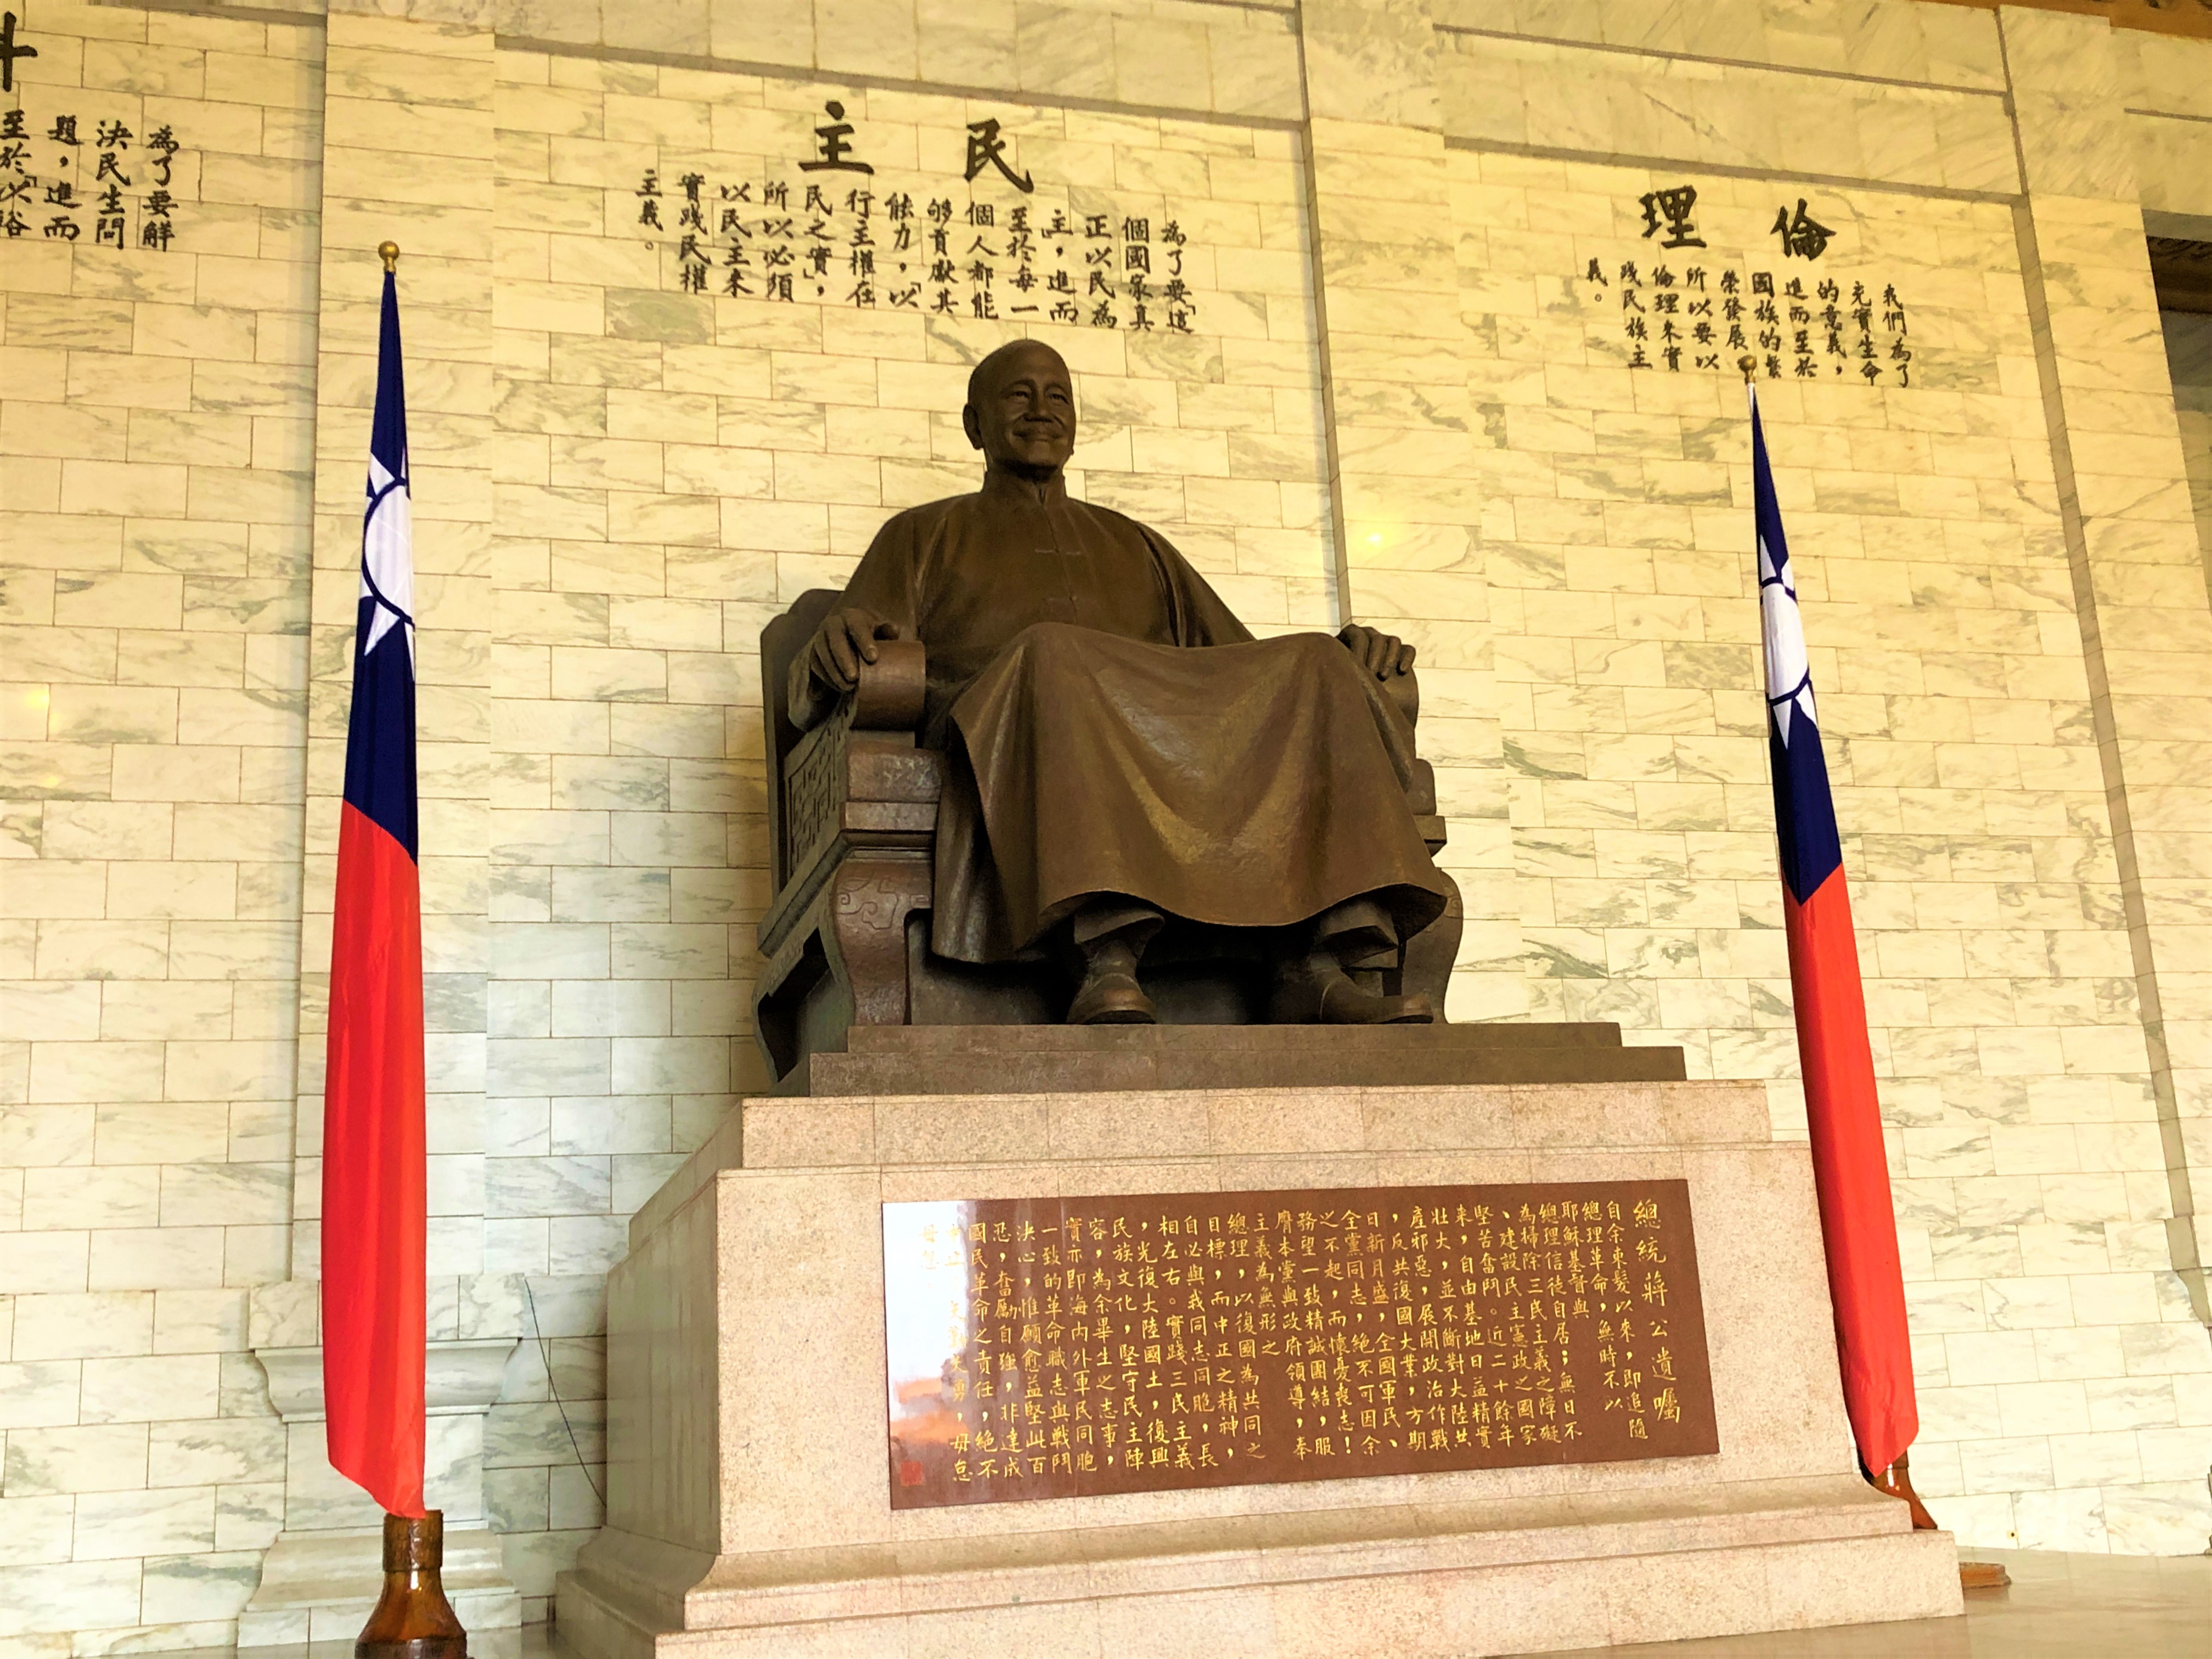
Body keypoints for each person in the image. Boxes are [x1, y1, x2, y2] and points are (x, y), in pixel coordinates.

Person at [792, 338, 1453, 1024]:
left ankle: (1313, 966)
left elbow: (1245, 665)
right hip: (1005, 728)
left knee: (1314, 660)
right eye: (1018, 396)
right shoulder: (922, 534)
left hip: (1153, 727)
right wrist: (825, 651)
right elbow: (830, 666)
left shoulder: (1135, 544)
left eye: (1057, 396)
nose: (1041, 411)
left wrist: (1345, 661)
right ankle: (1103, 958)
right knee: (1055, 655)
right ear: (974, 426)